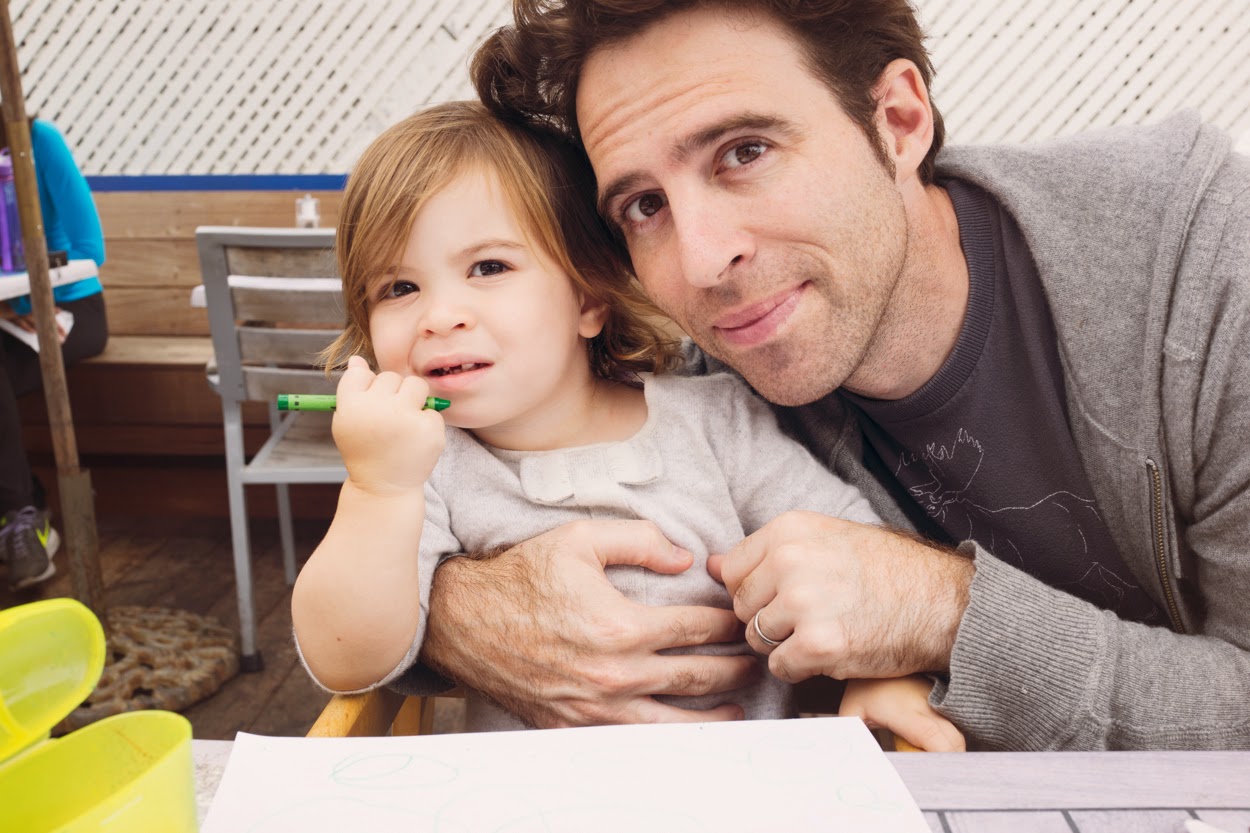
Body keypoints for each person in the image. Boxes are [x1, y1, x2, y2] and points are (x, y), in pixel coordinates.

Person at [395, 0, 1250, 751]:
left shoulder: (1205, 262)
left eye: (744, 152)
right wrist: (460, 614)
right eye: (644, 205)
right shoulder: (708, 382)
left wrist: (949, 612)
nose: (701, 262)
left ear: (899, 121)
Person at [290, 100, 964, 749]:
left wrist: (885, 673)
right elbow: (345, 659)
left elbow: (851, 560)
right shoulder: (423, 465)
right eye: (398, 288)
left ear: (588, 297)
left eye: (488, 267)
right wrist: (378, 489)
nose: (439, 317)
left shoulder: (717, 422)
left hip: (742, 792)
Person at [0, 118, 108, 591]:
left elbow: (90, 249)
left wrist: (31, 296)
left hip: (71, 308)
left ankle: (22, 518)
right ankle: (25, 506)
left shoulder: (38, 141)